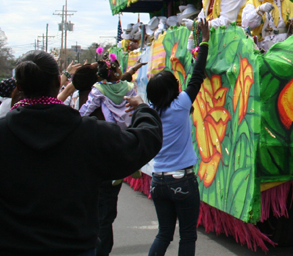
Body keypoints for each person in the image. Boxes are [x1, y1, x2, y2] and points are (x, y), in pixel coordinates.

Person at [0, 50, 162, 256]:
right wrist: (142, 109)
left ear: (19, 86)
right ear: (58, 82)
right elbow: (144, 142)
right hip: (75, 247)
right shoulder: (88, 132)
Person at [126, 20, 210, 256]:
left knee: (163, 234)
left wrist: (140, 103)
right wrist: (204, 41)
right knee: (188, 236)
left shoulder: (151, 112)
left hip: (158, 182)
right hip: (182, 181)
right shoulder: (181, 104)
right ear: (174, 90)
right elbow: (197, 75)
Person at [79, 55, 138, 256]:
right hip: (120, 141)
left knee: (93, 208)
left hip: (100, 149)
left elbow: (87, 110)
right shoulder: (128, 88)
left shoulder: (98, 89)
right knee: (108, 212)